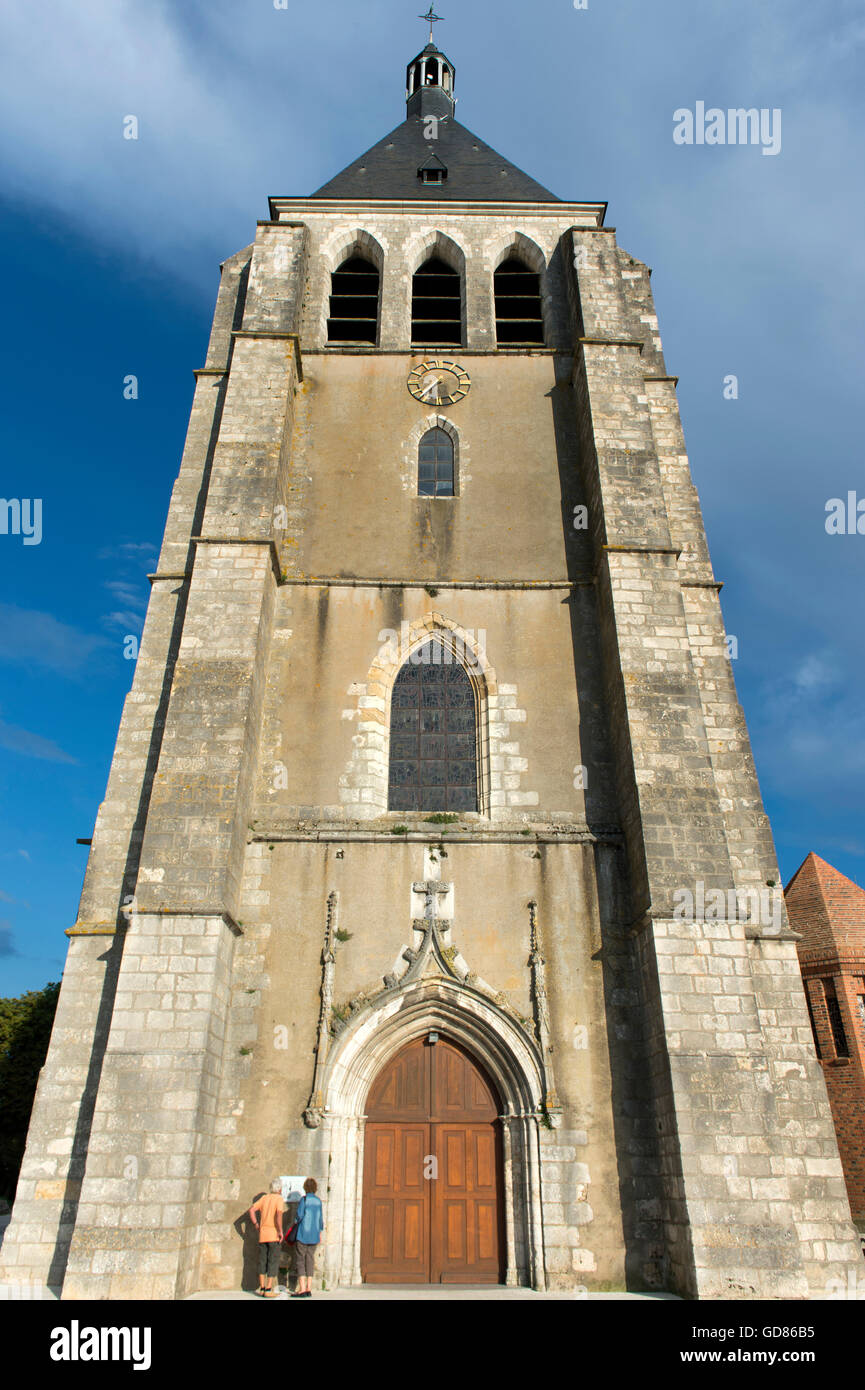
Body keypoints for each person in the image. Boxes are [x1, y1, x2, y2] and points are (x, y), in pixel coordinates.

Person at [248, 1179, 285, 1298]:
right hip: (273, 1234)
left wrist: (256, 1224)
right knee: (272, 1261)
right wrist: (280, 1231)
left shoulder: (264, 1198)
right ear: (279, 1189)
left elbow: (251, 1210)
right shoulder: (279, 1199)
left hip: (263, 1234)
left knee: (263, 1260)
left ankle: (262, 1287)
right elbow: (279, 1215)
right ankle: (268, 1289)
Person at [291, 1177, 324, 1298]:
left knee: (300, 1260)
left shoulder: (304, 1200)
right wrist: (319, 1232)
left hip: (303, 1233)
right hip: (314, 1234)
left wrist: (294, 1222)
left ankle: (302, 1288)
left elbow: (299, 1216)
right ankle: (309, 1288)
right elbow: (321, 1220)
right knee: (310, 1259)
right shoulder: (318, 1201)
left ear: (305, 1188)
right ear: (315, 1188)